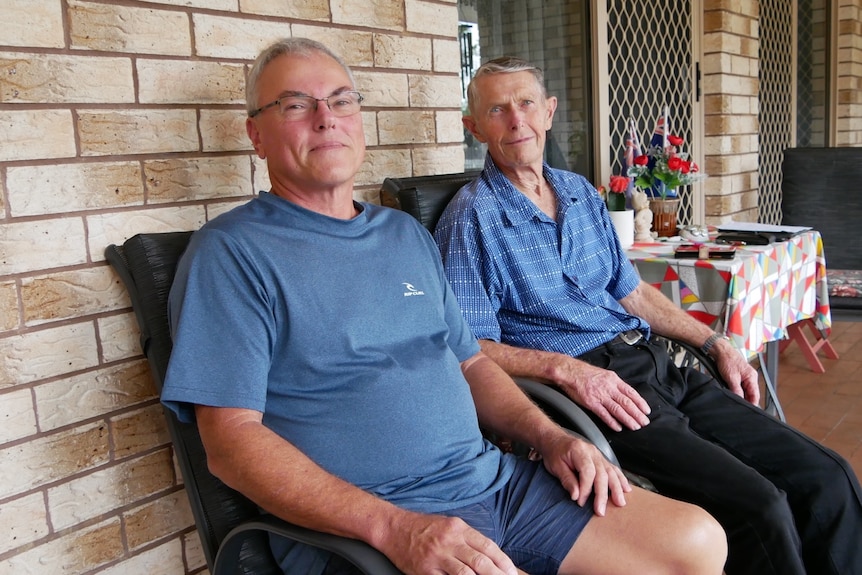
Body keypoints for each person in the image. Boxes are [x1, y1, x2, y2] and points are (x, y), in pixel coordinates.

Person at [160, 39, 727, 575]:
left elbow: (471, 362)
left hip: (495, 485)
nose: (325, 118)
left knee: (698, 542)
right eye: (294, 105)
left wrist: (551, 437)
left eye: (340, 101)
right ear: (256, 135)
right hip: (368, 531)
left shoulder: (403, 234)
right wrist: (394, 528)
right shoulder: (232, 254)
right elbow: (230, 443)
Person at [433, 55, 862, 575]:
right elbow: (467, 346)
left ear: (548, 112)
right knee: (760, 505)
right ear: (473, 126)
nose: (515, 119)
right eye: (497, 109)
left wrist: (713, 343)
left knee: (827, 475)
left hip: (658, 364)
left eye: (525, 103)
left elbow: (632, 293)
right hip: (593, 390)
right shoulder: (471, 217)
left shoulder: (578, 192)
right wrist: (564, 369)